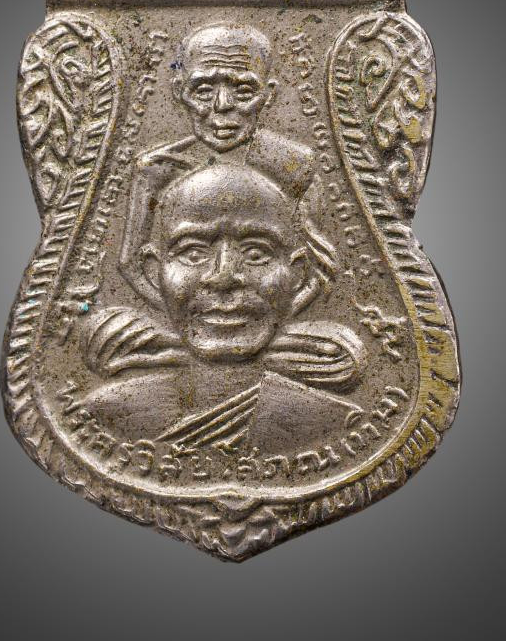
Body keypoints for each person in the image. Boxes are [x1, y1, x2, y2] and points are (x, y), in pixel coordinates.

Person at [80, 164, 365, 455]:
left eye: (256, 253)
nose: (223, 277)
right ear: (155, 274)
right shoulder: (104, 414)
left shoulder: (337, 423)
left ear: (297, 275)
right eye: (193, 253)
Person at [120, 23, 317, 304]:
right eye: (203, 91)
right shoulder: (156, 169)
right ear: (179, 92)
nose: (222, 105)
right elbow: (131, 266)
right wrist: (188, 315)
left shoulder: (293, 165)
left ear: (268, 95)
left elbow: (319, 271)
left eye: (243, 91)